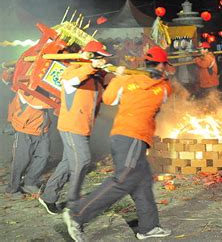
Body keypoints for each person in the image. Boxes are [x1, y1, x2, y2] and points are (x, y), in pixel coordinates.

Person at [63, 46, 173, 241]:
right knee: (123, 179)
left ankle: (148, 227)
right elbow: (163, 91)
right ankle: (77, 214)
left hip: (127, 137)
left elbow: (108, 99)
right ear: (162, 65)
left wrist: (119, 79)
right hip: (131, 136)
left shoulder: (128, 80)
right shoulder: (163, 86)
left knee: (142, 181)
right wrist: (128, 78)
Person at [38, 41, 112, 215]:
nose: (103, 61)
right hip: (71, 126)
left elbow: (105, 99)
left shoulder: (96, 79)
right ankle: (74, 203)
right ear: (91, 57)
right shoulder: (72, 72)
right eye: (100, 57)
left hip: (84, 127)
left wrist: (112, 79)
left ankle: (48, 196)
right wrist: (91, 67)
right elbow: (73, 79)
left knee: (68, 162)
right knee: (83, 160)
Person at [5, 89, 52, 197]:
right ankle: (12, 189)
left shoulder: (45, 87)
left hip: (42, 130)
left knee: (43, 157)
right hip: (24, 129)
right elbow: (36, 103)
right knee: (21, 161)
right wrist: (56, 100)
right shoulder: (24, 87)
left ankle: (30, 183)